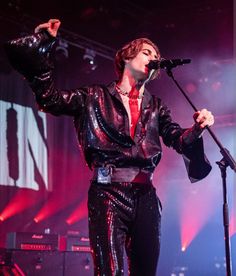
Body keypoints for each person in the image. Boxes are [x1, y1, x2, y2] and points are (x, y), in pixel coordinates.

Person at [5, 19, 214, 276]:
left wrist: (197, 128)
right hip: (107, 194)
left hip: (146, 195)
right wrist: (44, 44)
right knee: (109, 271)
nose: (154, 57)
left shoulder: (156, 106)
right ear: (127, 58)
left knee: (146, 269)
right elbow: (51, 99)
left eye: (157, 55)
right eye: (146, 52)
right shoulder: (94, 96)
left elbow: (177, 139)